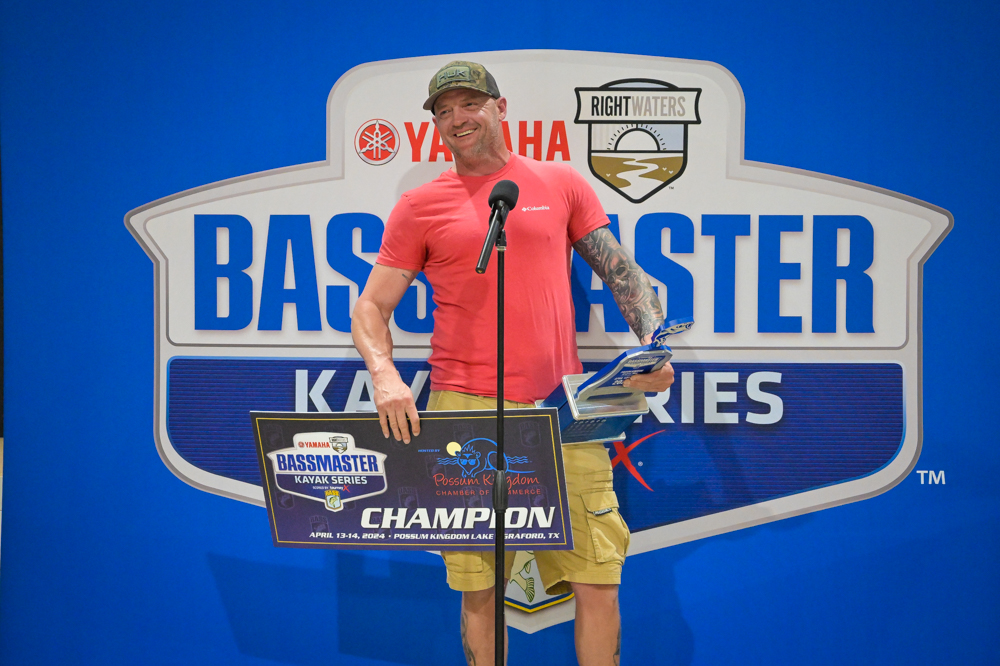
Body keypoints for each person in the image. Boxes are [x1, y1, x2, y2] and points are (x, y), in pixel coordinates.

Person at [352, 61, 674, 666]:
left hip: (562, 410)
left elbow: (621, 272)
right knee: (479, 588)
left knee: (598, 577)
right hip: (462, 409)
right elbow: (371, 305)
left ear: (500, 108)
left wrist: (654, 345)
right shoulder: (419, 206)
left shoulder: (560, 182)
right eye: (443, 111)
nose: (456, 119)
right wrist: (385, 375)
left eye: (469, 104)